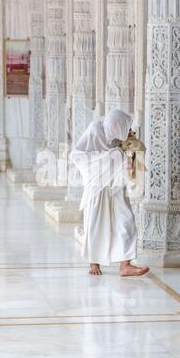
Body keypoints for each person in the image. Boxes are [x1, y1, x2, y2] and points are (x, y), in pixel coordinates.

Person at [70, 109, 150, 277]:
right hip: (97, 184)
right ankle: (94, 262)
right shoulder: (95, 130)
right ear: (117, 127)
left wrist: (128, 156)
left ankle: (125, 265)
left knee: (126, 218)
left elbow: (124, 152)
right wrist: (114, 156)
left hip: (115, 181)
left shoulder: (114, 131)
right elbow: (78, 156)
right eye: (126, 129)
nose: (129, 132)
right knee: (95, 221)